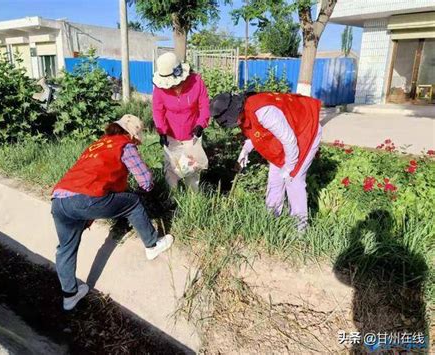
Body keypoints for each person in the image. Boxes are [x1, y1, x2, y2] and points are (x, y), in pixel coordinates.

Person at [51, 115, 174, 311]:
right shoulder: (124, 145)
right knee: (133, 202)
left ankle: (70, 295)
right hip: (85, 199)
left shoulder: (97, 145)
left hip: (58, 199)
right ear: (131, 135)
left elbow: (94, 175)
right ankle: (152, 244)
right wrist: (151, 193)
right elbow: (145, 180)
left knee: (66, 247)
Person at [210, 92, 322, 231]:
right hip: (288, 135)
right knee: (275, 179)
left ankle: (300, 228)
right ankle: (271, 219)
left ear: (235, 109)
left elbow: (289, 140)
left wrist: (290, 167)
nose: (233, 123)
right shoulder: (244, 111)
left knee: (294, 179)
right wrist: (245, 151)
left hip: (305, 128)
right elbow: (254, 133)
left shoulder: (264, 112)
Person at [152, 52, 210, 191]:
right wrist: (162, 131)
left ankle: (193, 198)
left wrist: (201, 124)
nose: (172, 87)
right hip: (171, 134)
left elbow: (204, 105)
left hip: (192, 133)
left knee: (192, 167)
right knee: (171, 167)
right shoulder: (160, 89)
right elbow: (158, 111)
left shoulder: (196, 81)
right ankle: (173, 197)